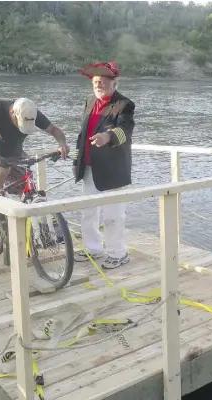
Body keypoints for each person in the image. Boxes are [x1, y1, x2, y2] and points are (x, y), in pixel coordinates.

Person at [72, 61, 135, 269]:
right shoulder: (89, 102)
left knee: (113, 215)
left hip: (113, 171)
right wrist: (76, 157)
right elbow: (83, 133)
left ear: (114, 83)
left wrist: (108, 137)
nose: (97, 85)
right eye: (95, 81)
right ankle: (93, 249)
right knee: (88, 211)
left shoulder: (124, 105)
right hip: (89, 167)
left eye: (102, 81)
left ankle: (118, 253)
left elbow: (124, 132)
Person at [0, 97, 69, 195]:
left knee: (26, 182)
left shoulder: (31, 112)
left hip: (15, 154)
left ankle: (28, 206)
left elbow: (53, 130)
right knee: (1, 171)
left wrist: (62, 144)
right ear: (12, 113)